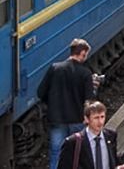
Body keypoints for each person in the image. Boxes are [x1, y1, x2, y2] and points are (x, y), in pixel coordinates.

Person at [38, 38, 97, 169]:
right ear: (82, 53)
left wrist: (52, 104)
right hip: (77, 119)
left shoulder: (54, 68)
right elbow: (89, 100)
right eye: (86, 54)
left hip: (57, 119)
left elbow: (40, 92)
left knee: (56, 152)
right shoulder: (86, 73)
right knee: (78, 153)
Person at [56, 101, 124, 169]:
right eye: (96, 118)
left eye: (102, 117)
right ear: (87, 119)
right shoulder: (73, 142)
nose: (100, 122)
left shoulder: (110, 136)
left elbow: (113, 159)